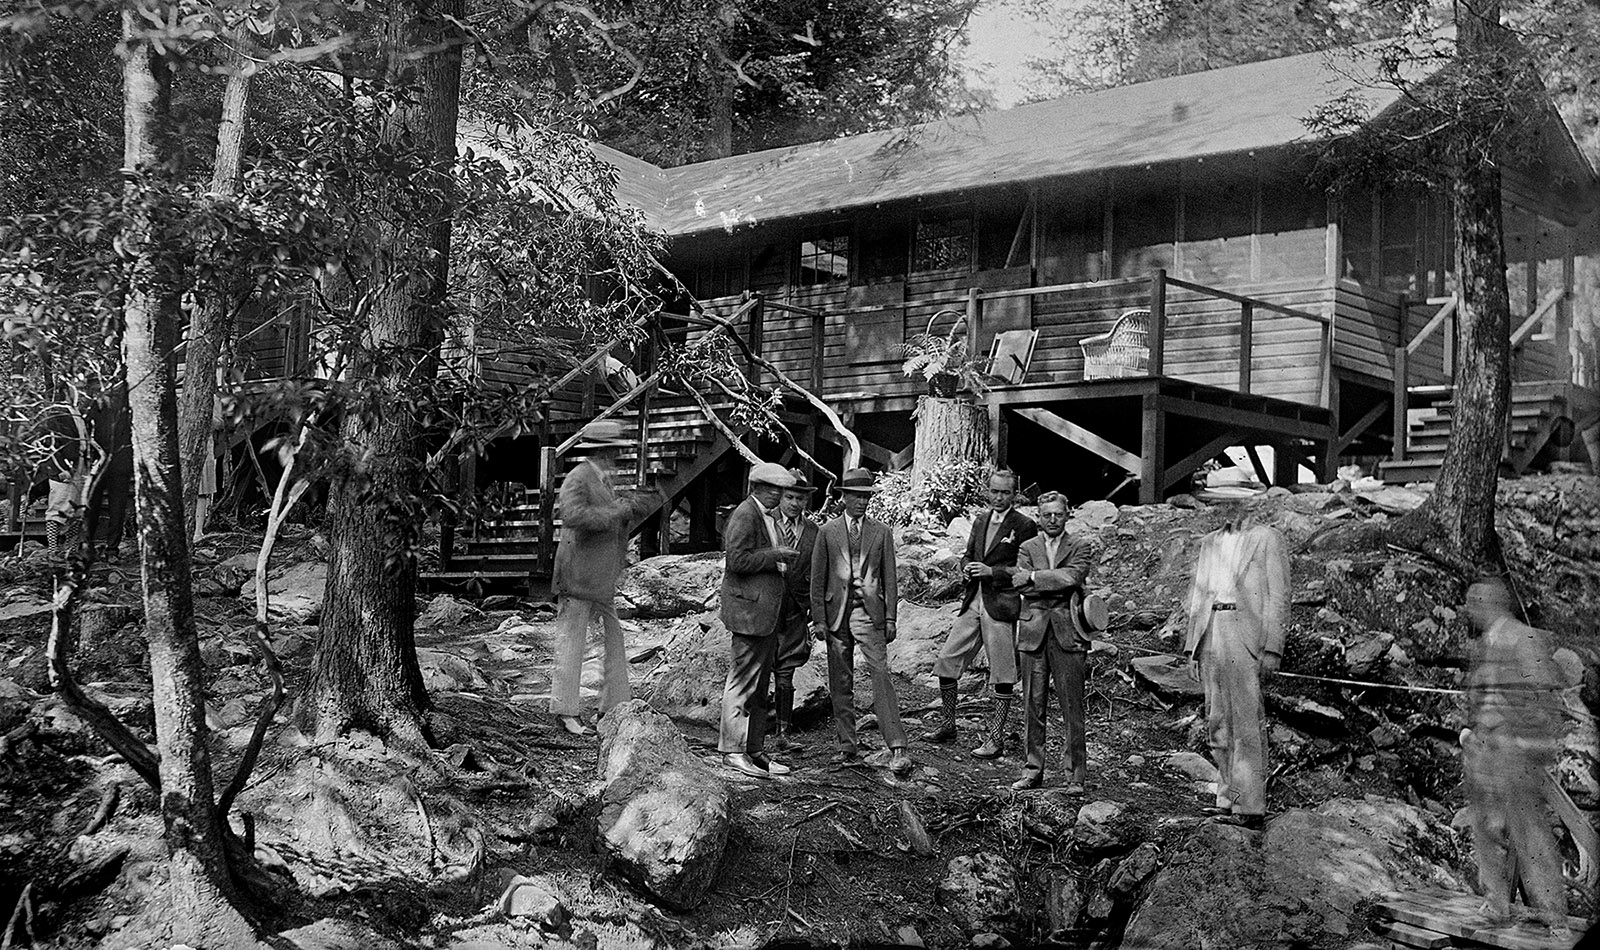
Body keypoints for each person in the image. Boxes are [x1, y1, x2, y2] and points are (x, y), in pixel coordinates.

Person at [1461, 577, 1570, 925]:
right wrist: (1473, 729)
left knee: (1529, 834)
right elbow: (1477, 698)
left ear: (1488, 602)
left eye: (1473, 601)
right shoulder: (1482, 645)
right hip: (1485, 753)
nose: (1468, 609)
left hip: (1517, 753)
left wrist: (1515, 731)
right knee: (1484, 828)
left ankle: (1554, 917)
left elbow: (1543, 700)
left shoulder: (1525, 638)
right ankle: (1495, 904)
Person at [1184, 498, 1288, 829]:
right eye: (1222, 502)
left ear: (1248, 503)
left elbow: (1278, 595)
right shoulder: (1210, 542)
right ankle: (1227, 798)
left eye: (1234, 501)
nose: (1229, 508)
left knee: (1246, 720)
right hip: (1213, 630)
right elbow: (1199, 595)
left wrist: (1273, 647)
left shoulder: (1267, 538)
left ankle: (1251, 806)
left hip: (1246, 635)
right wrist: (1192, 646)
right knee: (1217, 719)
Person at [550, 420, 655, 737]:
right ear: (601, 450)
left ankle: (613, 708)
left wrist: (627, 506)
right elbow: (571, 515)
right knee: (571, 644)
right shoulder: (578, 477)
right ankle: (565, 712)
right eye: (613, 449)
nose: (617, 454)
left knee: (614, 640)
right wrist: (613, 514)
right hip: (577, 576)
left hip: (600, 579)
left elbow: (611, 515)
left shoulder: (603, 478)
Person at [924, 468, 1037, 758]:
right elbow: (969, 554)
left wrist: (993, 572)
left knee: (1002, 670)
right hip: (973, 598)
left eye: (1005, 492)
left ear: (1015, 494)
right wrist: (966, 566)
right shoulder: (980, 520)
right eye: (994, 492)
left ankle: (996, 738)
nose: (999, 497)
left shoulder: (1024, 525)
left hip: (1000, 603)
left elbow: (1027, 570)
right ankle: (948, 724)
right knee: (947, 660)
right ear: (987, 492)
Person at [810, 468, 913, 776]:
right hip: (836, 615)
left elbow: (890, 580)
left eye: (866, 496)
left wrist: (891, 617)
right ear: (843, 497)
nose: (862, 502)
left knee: (881, 674)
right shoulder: (827, 532)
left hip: (870, 615)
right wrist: (818, 620)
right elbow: (817, 581)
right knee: (841, 681)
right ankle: (846, 746)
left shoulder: (881, 531)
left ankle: (897, 745)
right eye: (856, 496)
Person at [718, 461, 800, 779]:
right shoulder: (744, 514)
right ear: (756, 488)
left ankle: (754, 750)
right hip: (748, 613)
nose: (778, 496)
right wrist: (775, 555)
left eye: (780, 491)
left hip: (765, 613)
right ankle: (732, 750)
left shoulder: (768, 516)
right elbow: (736, 561)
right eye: (772, 490)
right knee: (741, 683)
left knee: (760, 686)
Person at [1010, 492, 1096, 792]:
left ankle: (1075, 776)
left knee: (1072, 706)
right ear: (1038, 516)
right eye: (1047, 514)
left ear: (1067, 514)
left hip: (1068, 632)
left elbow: (1072, 578)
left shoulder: (1080, 546)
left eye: (1058, 514)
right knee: (1033, 705)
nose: (1052, 519)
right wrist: (1043, 581)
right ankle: (1033, 770)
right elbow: (1020, 585)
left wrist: (1034, 577)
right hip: (1033, 634)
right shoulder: (1026, 546)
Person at [771, 466, 820, 751]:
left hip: (796, 609)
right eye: (790, 497)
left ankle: (783, 734)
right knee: (758, 669)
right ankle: (747, 735)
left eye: (800, 499)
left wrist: (814, 607)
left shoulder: (814, 531)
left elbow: (817, 571)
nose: (794, 504)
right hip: (766, 607)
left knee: (787, 672)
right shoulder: (766, 523)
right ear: (780, 497)